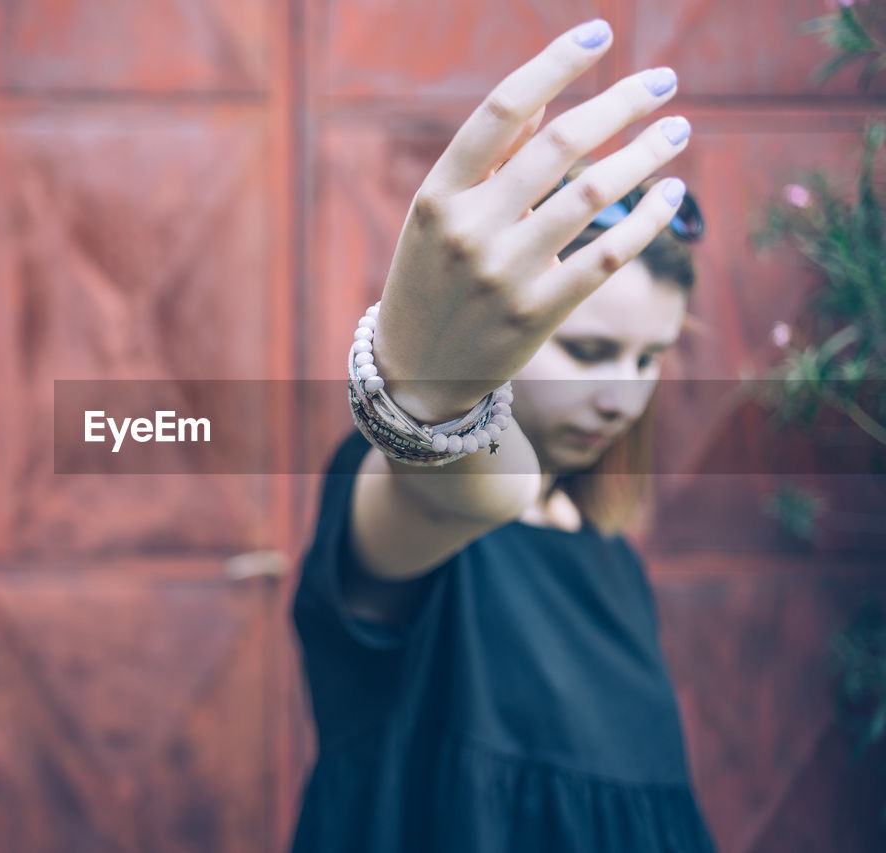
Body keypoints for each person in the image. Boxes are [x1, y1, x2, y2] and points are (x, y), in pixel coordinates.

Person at [289, 18, 717, 853]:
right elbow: (474, 482)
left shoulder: (615, 562)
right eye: (590, 349)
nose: (622, 393)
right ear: (511, 327)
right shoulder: (410, 511)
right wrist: (428, 384)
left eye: (649, 358)